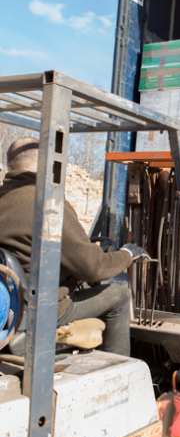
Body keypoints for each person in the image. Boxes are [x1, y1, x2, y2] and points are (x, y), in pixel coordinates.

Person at [0, 138, 147, 356]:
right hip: (44, 308)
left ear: (9, 165)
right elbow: (93, 267)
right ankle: (116, 365)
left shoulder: (4, 196)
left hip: (10, 304)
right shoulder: (48, 204)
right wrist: (127, 254)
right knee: (120, 295)